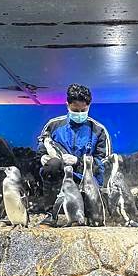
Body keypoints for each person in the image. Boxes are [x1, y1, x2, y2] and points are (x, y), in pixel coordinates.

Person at [37, 83, 111, 212]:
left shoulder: (98, 130)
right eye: (75, 110)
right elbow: (42, 146)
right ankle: (52, 211)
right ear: (67, 105)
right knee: (53, 164)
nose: (79, 114)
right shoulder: (53, 125)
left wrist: (78, 162)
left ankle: (86, 209)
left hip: (85, 181)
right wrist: (43, 156)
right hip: (60, 181)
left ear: (89, 106)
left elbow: (103, 163)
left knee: (87, 212)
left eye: (83, 110)